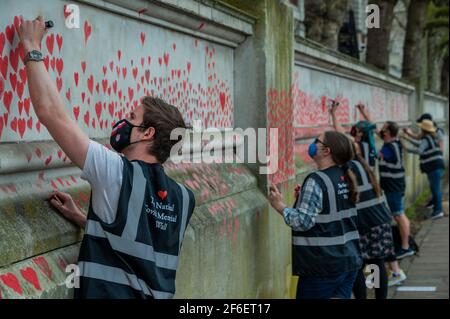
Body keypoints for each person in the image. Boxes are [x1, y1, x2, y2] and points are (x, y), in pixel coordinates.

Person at [19, 16, 195, 299]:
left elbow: (51, 113)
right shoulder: (184, 198)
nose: (123, 122)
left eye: (132, 118)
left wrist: (31, 46)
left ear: (147, 133)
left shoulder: (115, 172)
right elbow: (142, 244)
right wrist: (87, 220)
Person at [268, 131, 362, 299]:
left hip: (322, 266)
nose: (312, 144)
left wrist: (280, 206)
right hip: (348, 262)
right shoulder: (344, 175)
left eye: (316, 141)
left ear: (326, 151)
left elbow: (302, 221)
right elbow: (328, 209)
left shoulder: (316, 180)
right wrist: (303, 200)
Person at [330, 108, 394, 298]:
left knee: (358, 265)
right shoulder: (363, 162)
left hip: (365, 223)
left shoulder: (347, 167)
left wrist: (333, 116)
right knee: (375, 263)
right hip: (379, 220)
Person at [402, 119, 446, 220]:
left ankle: (438, 211)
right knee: (435, 189)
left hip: (434, 167)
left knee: (436, 190)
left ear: (423, 129)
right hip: (437, 165)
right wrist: (407, 138)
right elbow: (419, 144)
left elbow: (419, 150)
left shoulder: (426, 139)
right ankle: (436, 209)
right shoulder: (430, 137)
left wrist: (406, 148)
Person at [330, 102, 378, 170]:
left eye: (356, 129)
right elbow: (371, 125)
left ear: (360, 134)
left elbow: (341, 133)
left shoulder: (357, 146)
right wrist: (362, 111)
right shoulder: (370, 143)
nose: (353, 130)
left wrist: (333, 113)